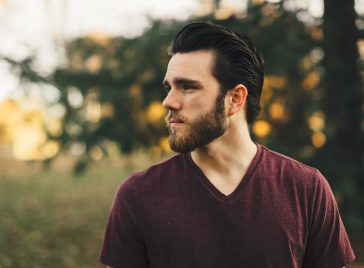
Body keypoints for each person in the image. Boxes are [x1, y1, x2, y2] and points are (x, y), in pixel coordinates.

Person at [99, 22, 355, 268]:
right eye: (169, 87)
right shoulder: (138, 195)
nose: (168, 101)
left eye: (187, 87)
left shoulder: (307, 189)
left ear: (235, 98)